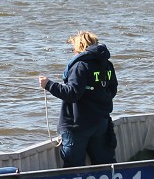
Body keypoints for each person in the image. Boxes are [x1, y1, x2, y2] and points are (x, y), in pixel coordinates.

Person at [38, 31, 118, 168]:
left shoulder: (80, 66)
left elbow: (72, 93)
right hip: (100, 123)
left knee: (73, 166)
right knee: (105, 164)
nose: (73, 52)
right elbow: (113, 90)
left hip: (77, 126)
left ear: (80, 47)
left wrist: (48, 85)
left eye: (73, 48)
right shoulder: (107, 65)